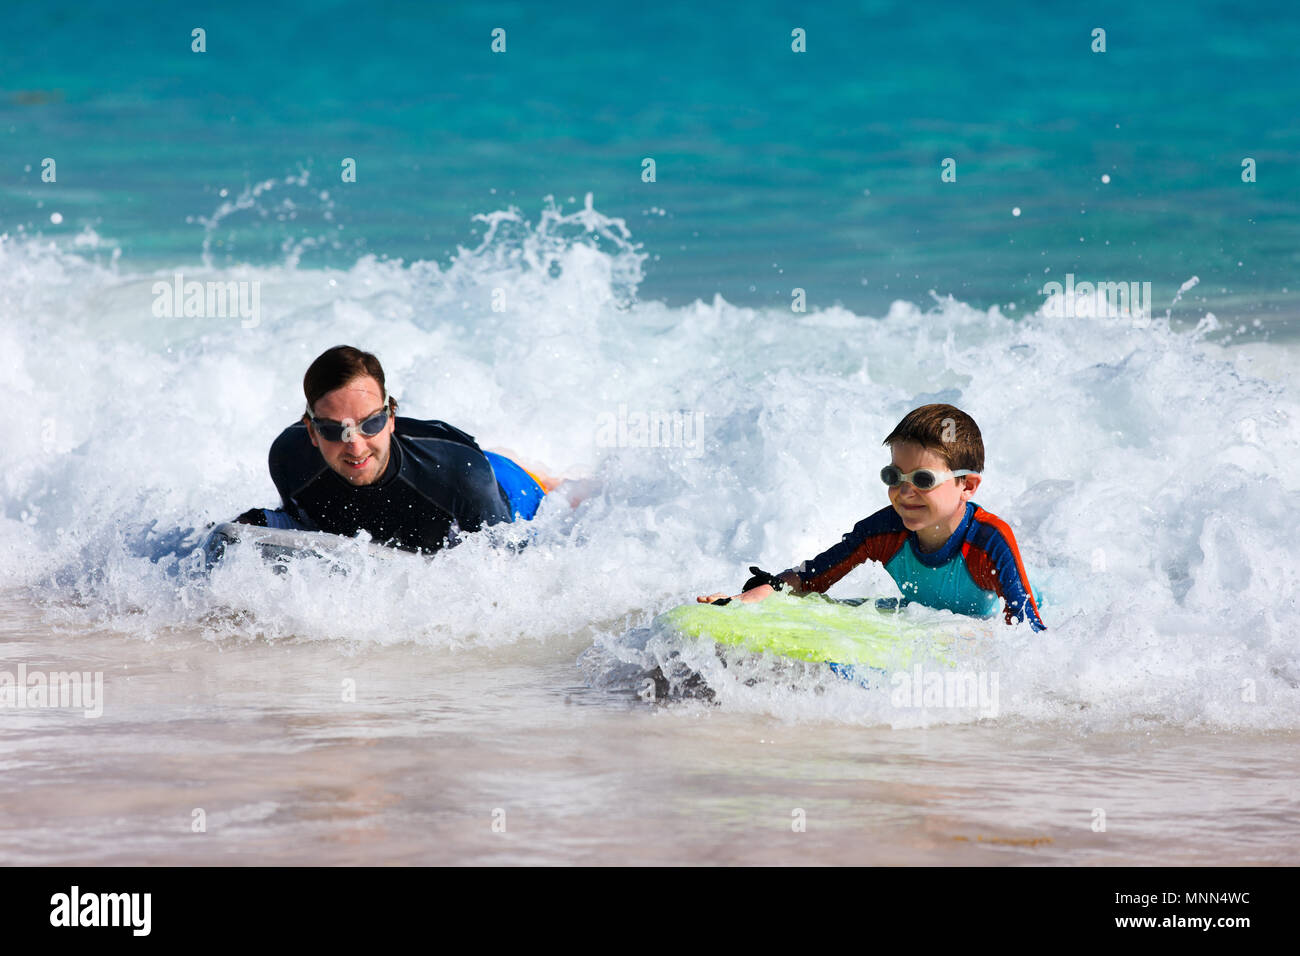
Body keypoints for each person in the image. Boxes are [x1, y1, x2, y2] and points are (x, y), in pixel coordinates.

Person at [697, 403, 1046, 630]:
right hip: (926, 619)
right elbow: (814, 577)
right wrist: (759, 595)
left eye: (923, 479)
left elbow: (1027, 631)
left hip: (999, 615)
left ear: (967, 486)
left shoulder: (988, 543)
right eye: (894, 477)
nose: (904, 492)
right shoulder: (883, 531)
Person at [229, 345, 551, 554]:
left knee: (567, 493)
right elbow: (304, 525)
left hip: (510, 487)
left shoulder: (460, 475)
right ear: (312, 431)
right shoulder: (290, 458)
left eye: (370, 424)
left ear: (391, 417)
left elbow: (510, 569)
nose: (354, 445)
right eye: (333, 430)